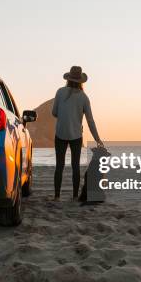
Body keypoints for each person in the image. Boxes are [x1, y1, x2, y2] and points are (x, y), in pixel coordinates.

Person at [52, 66, 103, 201]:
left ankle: (57, 196)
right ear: (81, 81)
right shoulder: (84, 97)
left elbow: (54, 112)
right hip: (76, 136)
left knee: (59, 165)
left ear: (68, 79)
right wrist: (97, 139)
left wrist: (65, 115)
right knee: (75, 166)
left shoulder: (60, 92)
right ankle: (75, 196)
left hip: (60, 134)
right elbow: (90, 120)